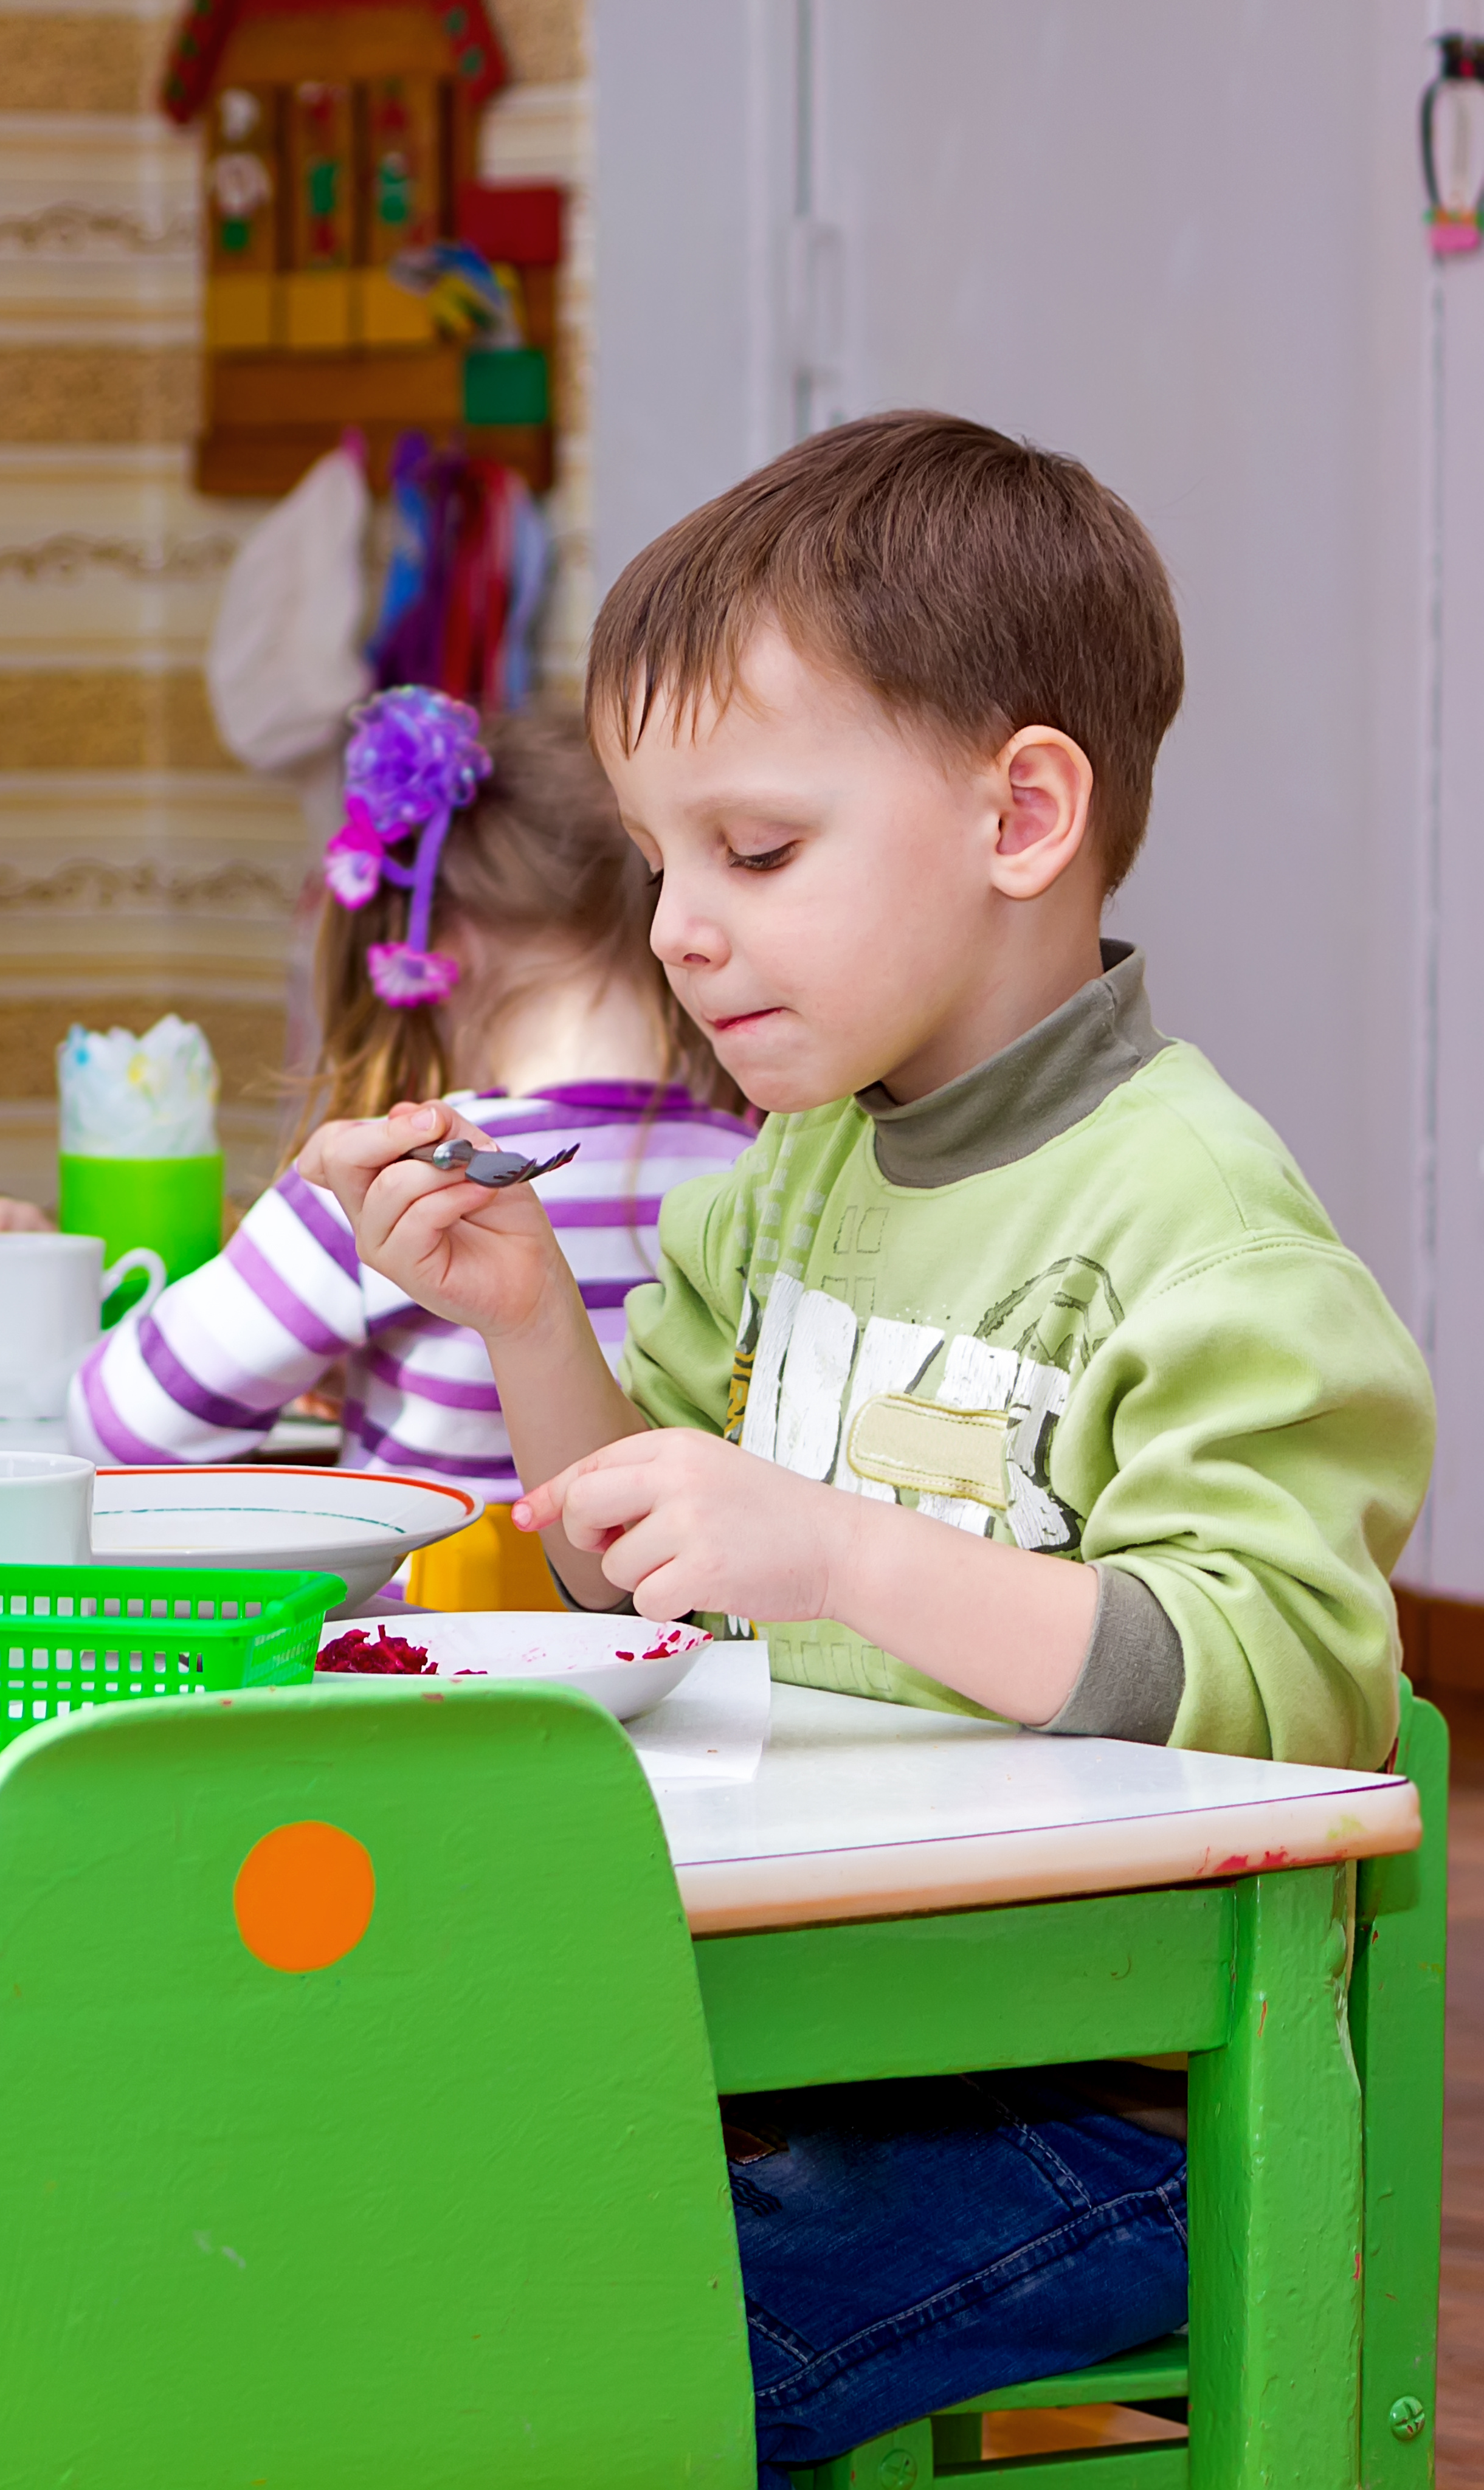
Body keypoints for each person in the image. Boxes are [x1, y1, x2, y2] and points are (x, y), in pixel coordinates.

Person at [296, 411, 1433, 2478]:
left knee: (545, 2360)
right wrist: (526, 1316)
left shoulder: (1192, 1225)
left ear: (1019, 813)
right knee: (363, 2214)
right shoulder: (789, 1178)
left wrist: (826, 1552)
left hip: (1107, 2095)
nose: (673, 930)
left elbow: (1294, 1686)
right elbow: (617, 1560)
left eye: (752, 851)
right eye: (658, 864)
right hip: (794, 2028)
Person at [70, 692, 752, 1607]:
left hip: (425, 1662)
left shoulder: (404, 1176)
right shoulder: (755, 1169)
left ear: (439, 941)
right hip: (672, 1661)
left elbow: (125, 1430)